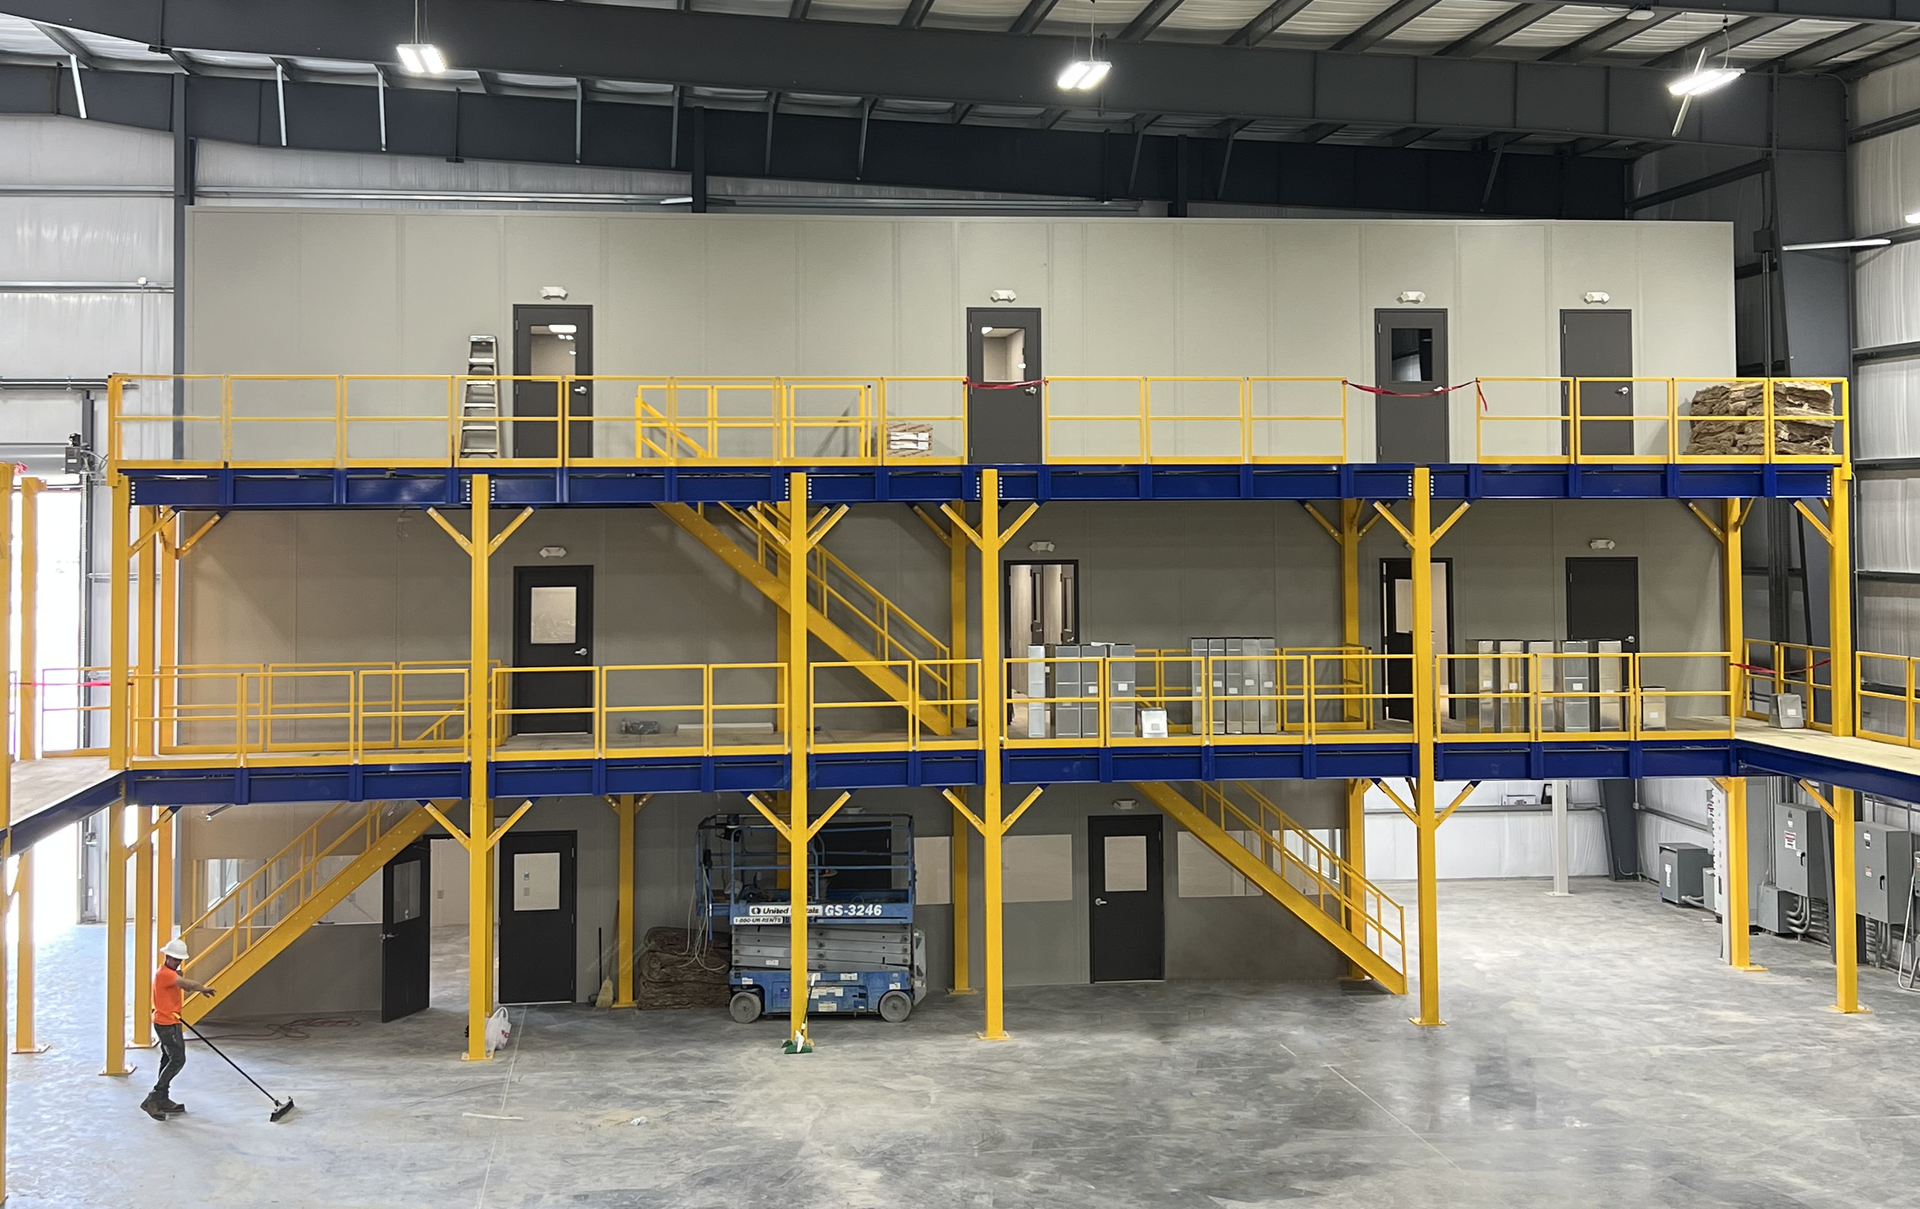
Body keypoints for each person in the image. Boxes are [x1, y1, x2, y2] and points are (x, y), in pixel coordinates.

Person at [143, 938, 215, 1121]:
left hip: (167, 1021)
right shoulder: (165, 974)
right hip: (167, 1024)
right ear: (167, 957)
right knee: (178, 1059)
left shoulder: (167, 973)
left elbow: (177, 983)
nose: (178, 962)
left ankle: (162, 1099)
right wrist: (202, 988)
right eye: (175, 959)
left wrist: (179, 976)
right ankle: (154, 1098)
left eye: (179, 960)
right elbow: (188, 985)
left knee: (168, 1058)